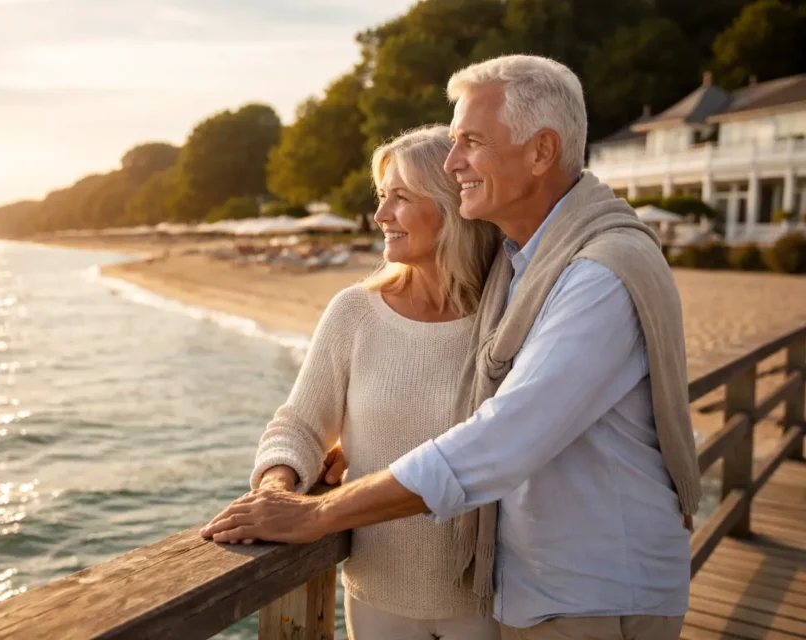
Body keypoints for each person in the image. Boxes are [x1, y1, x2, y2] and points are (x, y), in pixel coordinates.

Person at [202, 55, 701, 640]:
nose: (454, 159)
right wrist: (297, 475)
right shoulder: (522, 275)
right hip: (528, 589)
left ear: (540, 151)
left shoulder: (591, 275)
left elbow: (503, 437)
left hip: (588, 591)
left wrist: (321, 513)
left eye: (471, 141)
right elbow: (303, 423)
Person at [232, 124, 502, 639]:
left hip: (490, 597)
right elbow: (301, 427)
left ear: (451, 205)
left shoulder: (507, 317)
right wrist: (277, 490)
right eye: (382, 197)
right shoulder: (355, 312)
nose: (380, 216)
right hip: (377, 594)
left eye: (400, 198)